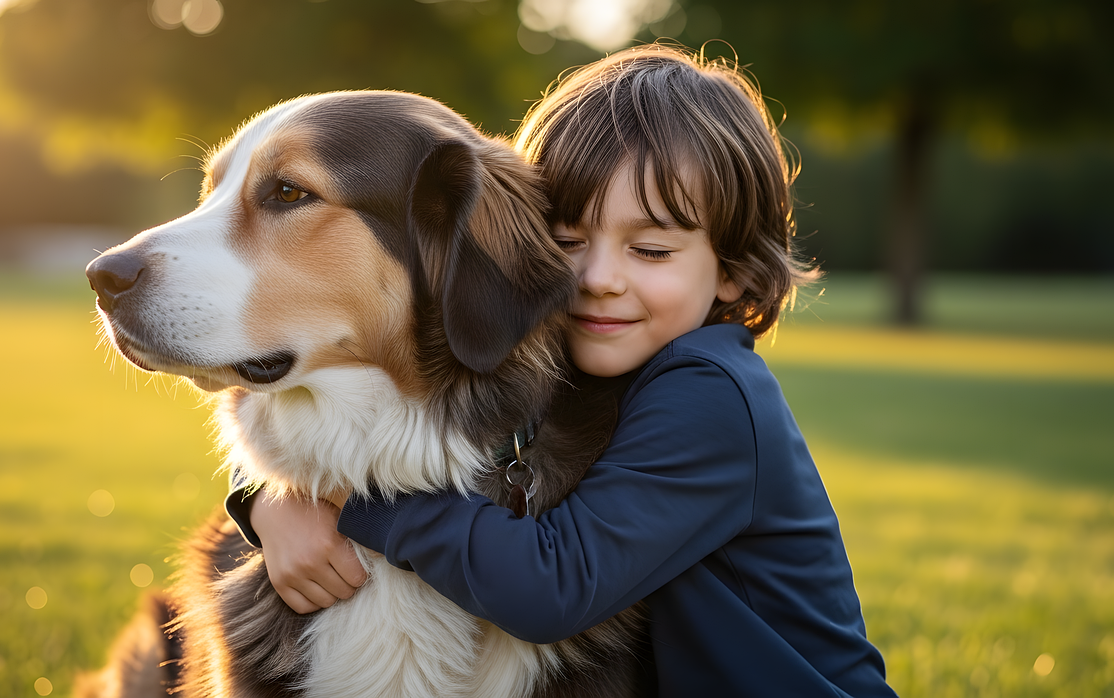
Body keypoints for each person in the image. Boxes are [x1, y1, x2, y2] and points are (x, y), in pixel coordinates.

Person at [229, 44, 897, 697]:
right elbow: (403, 430)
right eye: (568, 241)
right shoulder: (594, 366)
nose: (598, 279)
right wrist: (264, 499)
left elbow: (553, 588)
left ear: (734, 271)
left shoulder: (712, 392)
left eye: (651, 250)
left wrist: (345, 499)